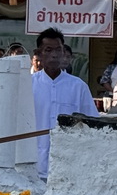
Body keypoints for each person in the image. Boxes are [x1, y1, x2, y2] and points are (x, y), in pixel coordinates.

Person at [32, 28, 98, 180]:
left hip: (69, 167)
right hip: (34, 165)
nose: (54, 55)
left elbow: (92, 123)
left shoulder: (78, 86)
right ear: (39, 53)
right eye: (48, 50)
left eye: (58, 50)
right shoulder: (28, 85)